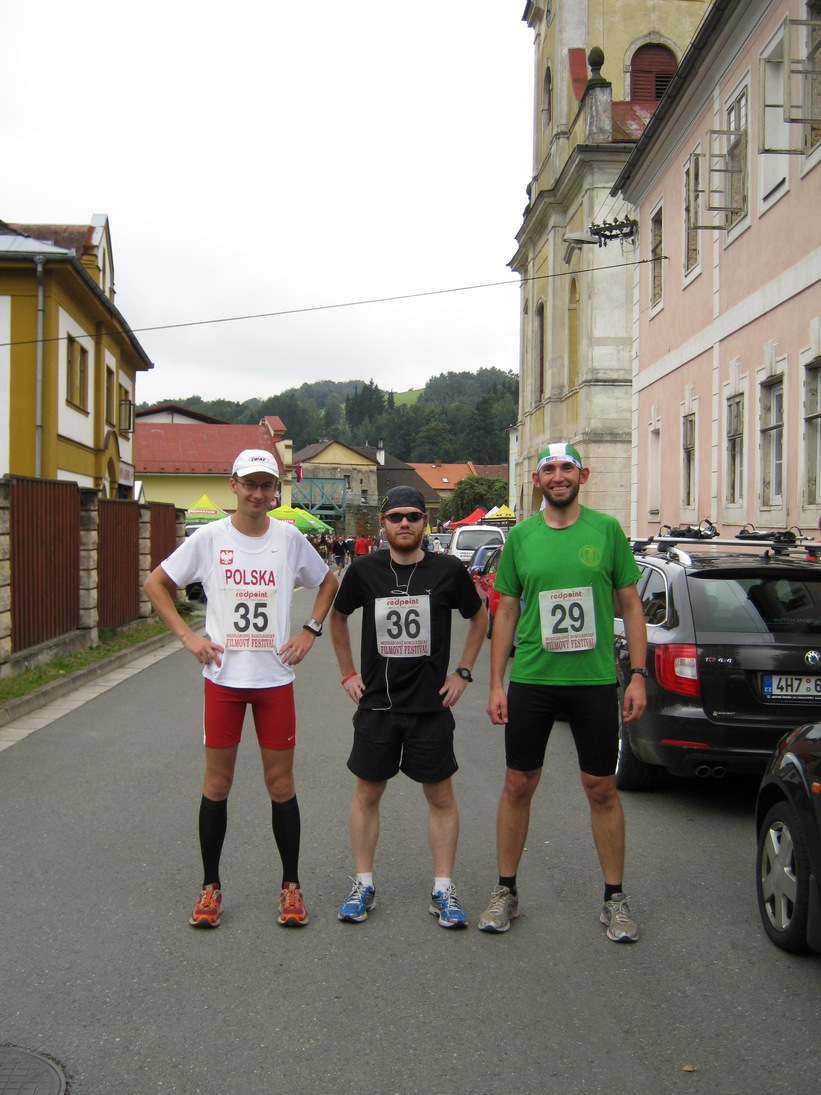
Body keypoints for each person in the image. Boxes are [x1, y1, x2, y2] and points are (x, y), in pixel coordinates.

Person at [144, 449, 338, 930]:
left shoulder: (289, 538)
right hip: (223, 681)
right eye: (249, 484)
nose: (257, 493)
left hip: (274, 680)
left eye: (266, 485)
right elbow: (156, 584)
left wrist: (310, 630)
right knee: (217, 784)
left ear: (276, 490)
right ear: (233, 484)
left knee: (281, 785)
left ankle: (291, 886)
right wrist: (189, 638)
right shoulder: (210, 537)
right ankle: (210, 886)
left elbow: (328, 582)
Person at [478, 443, 647, 942]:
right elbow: (506, 611)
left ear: (583, 475)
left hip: (592, 681)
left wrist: (638, 675)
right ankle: (506, 890)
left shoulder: (607, 531)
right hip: (533, 679)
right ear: (537, 481)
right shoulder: (521, 537)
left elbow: (631, 606)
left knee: (602, 788)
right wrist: (495, 683)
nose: (558, 476)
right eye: (548, 469)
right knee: (518, 784)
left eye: (566, 467)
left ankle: (614, 898)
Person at [329, 486, 486, 928]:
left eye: (413, 516)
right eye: (395, 516)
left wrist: (463, 672)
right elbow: (337, 617)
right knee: (367, 794)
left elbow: (479, 616)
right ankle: (363, 883)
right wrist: (347, 672)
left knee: (440, 796)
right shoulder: (364, 570)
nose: (404, 523)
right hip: (377, 706)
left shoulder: (447, 570)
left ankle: (443, 889)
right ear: (383, 523)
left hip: (429, 707)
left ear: (424, 522)